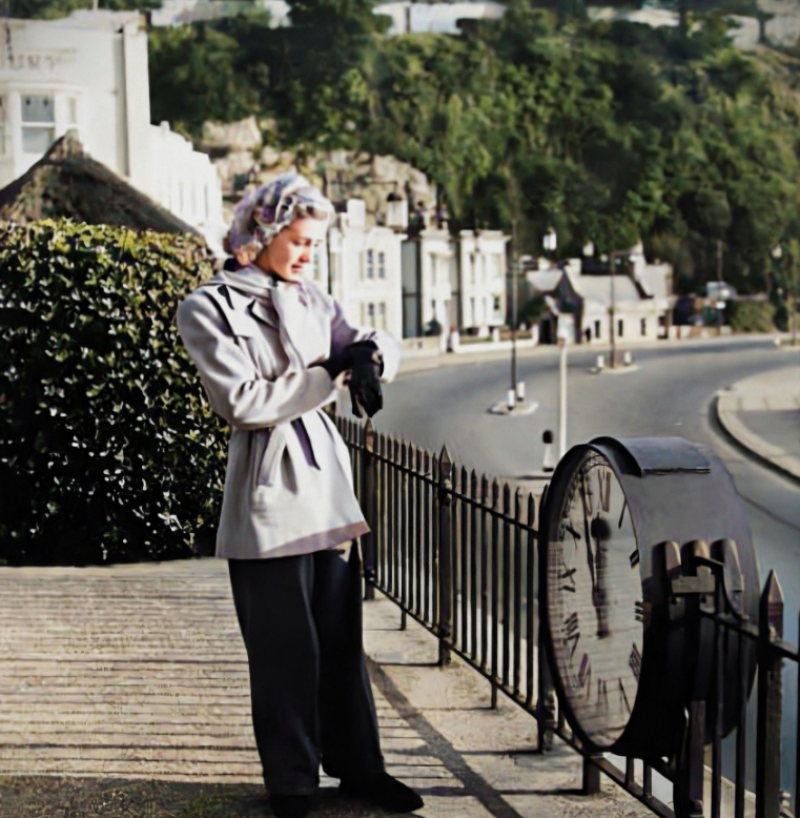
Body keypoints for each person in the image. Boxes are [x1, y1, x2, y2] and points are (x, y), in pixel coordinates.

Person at [176, 172, 423, 818]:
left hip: (325, 489)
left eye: (314, 243)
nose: (309, 254)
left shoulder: (311, 297)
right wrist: (329, 372)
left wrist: (369, 358)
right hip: (268, 491)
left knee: (341, 641)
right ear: (261, 234)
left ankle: (361, 769)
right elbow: (241, 402)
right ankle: (291, 784)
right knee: (284, 650)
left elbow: (365, 338)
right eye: (300, 240)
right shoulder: (207, 308)